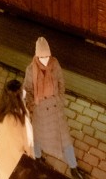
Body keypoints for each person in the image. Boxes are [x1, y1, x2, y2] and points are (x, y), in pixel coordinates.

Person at [23, 37, 83, 177]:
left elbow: (61, 82)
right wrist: (33, 105)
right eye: (42, 56)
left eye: (47, 56)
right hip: (40, 110)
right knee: (38, 136)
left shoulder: (55, 64)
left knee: (65, 137)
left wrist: (60, 99)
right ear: (37, 55)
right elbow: (28, 89)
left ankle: (73, 166)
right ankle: (37, 159)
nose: (45, 59)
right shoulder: (31, 70)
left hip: (55, 108)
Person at [0, 79, 33, 179]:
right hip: (16, 165)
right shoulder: (18, 121)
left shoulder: (3, 112)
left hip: (6, 158)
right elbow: (27, 145)